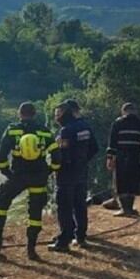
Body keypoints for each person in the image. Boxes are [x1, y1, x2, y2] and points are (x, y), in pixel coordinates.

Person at [0, 102, 60, 260]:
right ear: (35, 114)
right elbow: (56, 155)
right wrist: (50, 170)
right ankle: (31, 250)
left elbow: (1, 154)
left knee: (2, 200)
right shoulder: (44, 131)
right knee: (35, 214)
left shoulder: (12, 129)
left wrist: (7, 172)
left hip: (18, 175)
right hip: (38, 177)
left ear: (19, 114)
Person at [50, 100, 98, 252]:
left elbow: (61, 155)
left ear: (66, 113)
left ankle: (64, 240)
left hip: (66, 174)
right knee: (80, 205)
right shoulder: (86, 126)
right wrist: (82, 162)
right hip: (81, 172)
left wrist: (54, 167)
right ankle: (81, 236)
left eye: (59, 114)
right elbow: (94, 148)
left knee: (64, 206)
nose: (57, 118)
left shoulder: (66, 130)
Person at [106, 103, 140, 217]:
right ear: (135, 111)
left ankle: (125, 209)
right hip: (135, 156)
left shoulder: (118, 123)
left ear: (123, 111)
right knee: (132, 181)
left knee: (121, 181)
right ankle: (130, 207)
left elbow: (112, 142)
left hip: (121, 156)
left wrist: (110, 158)